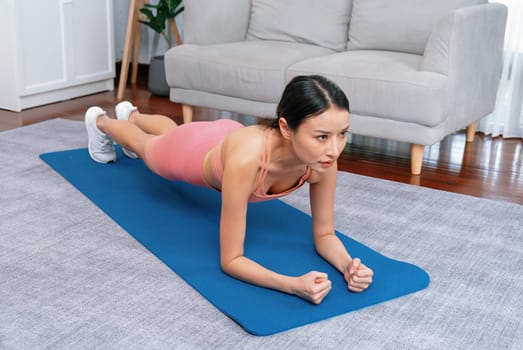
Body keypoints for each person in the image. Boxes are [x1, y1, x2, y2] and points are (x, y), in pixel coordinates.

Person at [84, 75, 373, 304]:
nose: (335, 149)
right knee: (147, 148)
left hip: (227, 136)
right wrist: (292, 285)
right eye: (322, 136)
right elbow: (231, 260)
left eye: (342, 133)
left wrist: (348, 265)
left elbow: (324, 234)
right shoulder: (248, 162)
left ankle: (132, 115)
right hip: (195, 154)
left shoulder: (323, 162)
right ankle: (101, 121)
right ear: (286, 128)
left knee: (173, 133)